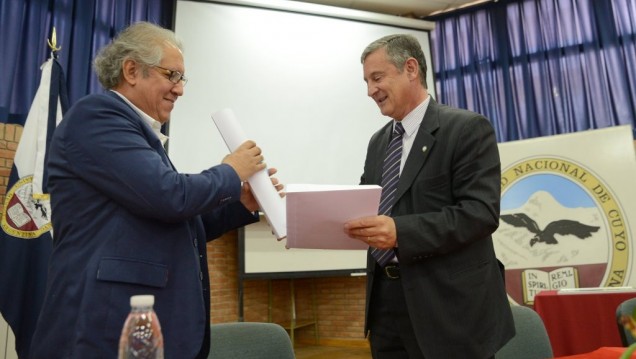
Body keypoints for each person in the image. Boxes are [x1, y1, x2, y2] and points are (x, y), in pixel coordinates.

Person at [29, 22, 282, 358]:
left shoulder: (138, 133)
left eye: (182, 79)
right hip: (104, 325)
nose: (180, 89)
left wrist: (241, 201)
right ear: (132, 70)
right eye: (172, 75)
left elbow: (180, 223)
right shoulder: (98, 117)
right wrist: (231, 172)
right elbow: (170, 197)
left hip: (139, 325)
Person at [343, 34, 515, 358]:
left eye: (377, 78)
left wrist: (400, 232)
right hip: (386, 309)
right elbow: (367, 205)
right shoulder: (377, 143)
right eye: (366, 81)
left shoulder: (466, 129)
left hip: (451, 312)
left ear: (410, 68)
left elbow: (480, 213)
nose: (370, 91)